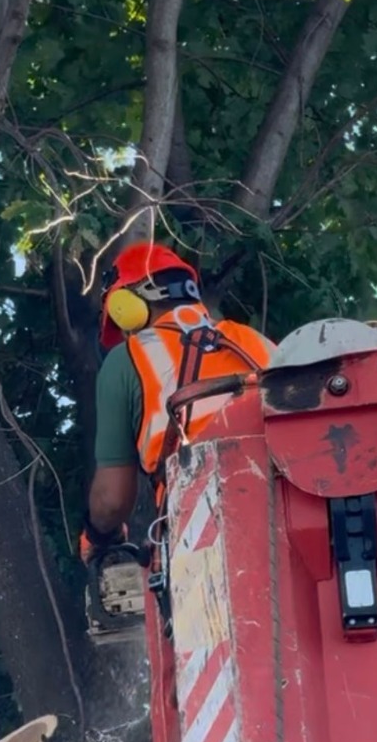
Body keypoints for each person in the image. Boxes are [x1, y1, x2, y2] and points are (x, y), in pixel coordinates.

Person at [78, 241, 275, 564]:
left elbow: (112, 500)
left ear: (126, 306)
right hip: (284, 502)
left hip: (202, 528)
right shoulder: (256, 343)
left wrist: (98, 535)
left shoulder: (128, 359)